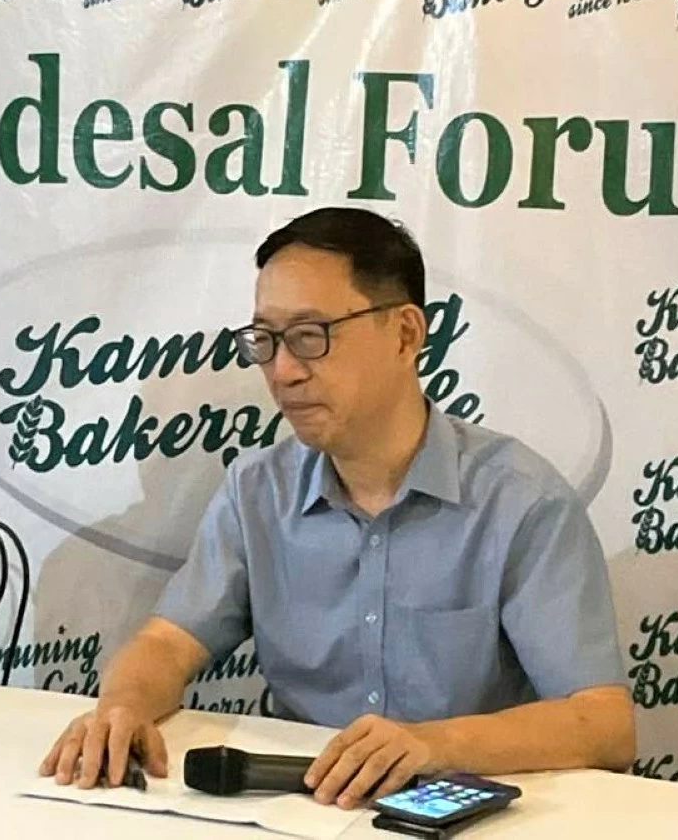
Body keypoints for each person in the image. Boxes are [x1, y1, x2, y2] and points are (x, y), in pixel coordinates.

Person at [40, 207, 635, 807]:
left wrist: (432, 744)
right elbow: (167, 643)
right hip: (300, 807)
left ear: (406, 334)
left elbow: (604, 724)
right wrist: (122, 707)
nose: (283, 371)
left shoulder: (521, 502)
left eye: (309, 336)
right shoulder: (258, 491)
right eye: (265, 341)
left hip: (461, 809)